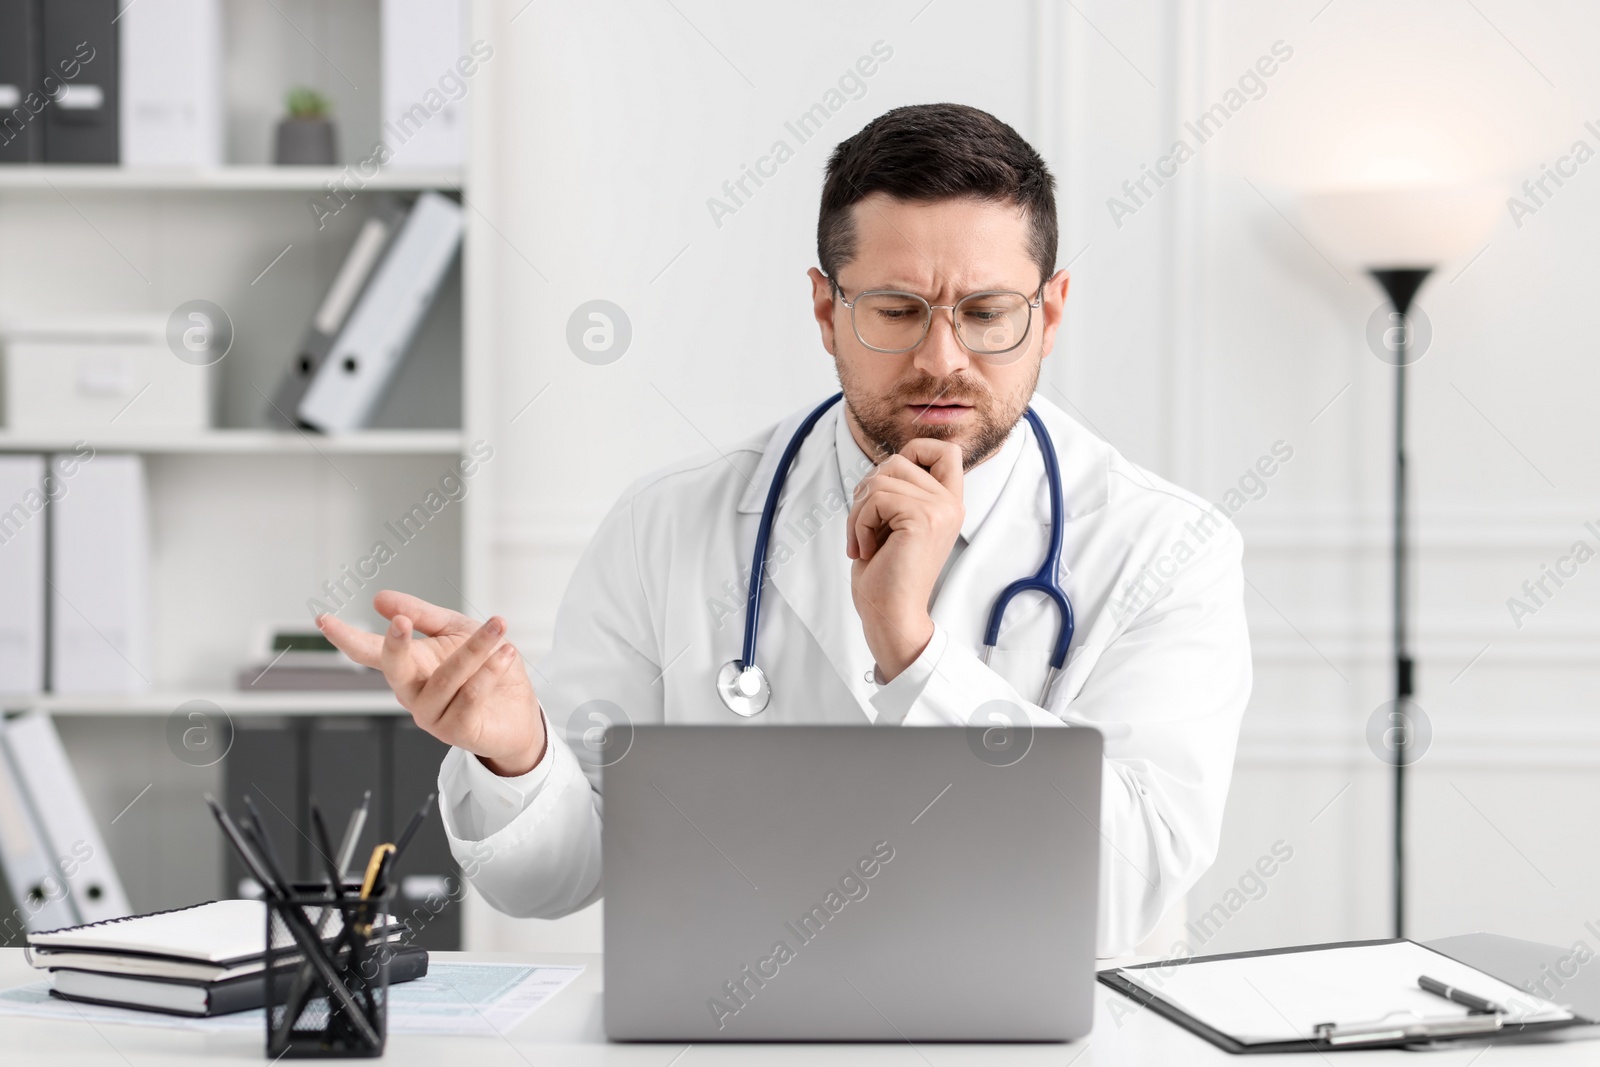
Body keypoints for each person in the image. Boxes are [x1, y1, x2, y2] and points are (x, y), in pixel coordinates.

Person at [318, 102, 1251, 956]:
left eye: (986, 313)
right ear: (824, 311)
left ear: (1048, 315)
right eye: (896, 310)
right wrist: (513, 750)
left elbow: (1125, 889)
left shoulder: (1167, 549)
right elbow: (553, 875)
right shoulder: (666, 525)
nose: (941, 357)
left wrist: (915, 656)